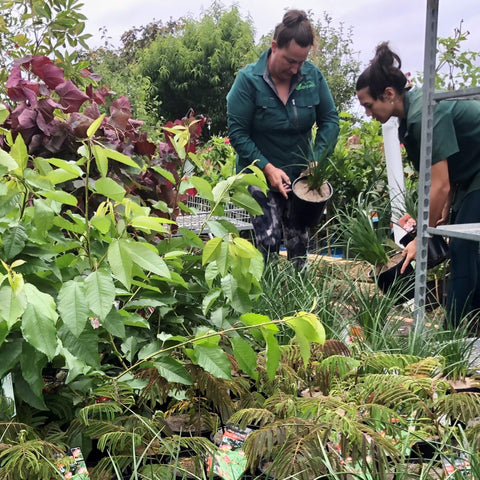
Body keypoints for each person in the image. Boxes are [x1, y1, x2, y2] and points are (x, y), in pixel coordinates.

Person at [356, 41, 480, 326]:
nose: (367, 113)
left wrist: (422, 238)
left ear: (388, 94)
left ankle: (454, 335)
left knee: (461, 248)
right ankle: (471, 323)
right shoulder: (408, 120)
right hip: (470, 174)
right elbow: (446, 174)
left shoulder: (423, 115)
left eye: (368, 105)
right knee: (461, 249)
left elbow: (440, 186)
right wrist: (441, 215)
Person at [226, 9, 339, 270]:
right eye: (290, 60)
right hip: (258, 176)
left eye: (301, 61)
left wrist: (316, 161)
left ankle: (299, 307)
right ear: (274, 46)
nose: (295, 68)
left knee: (299, 246)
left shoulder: (312, 77)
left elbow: (330, 121)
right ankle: (263, 303)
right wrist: (267, 168)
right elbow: (238, 135)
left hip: (300, 180)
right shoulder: (247, 82)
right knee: (266, 243)